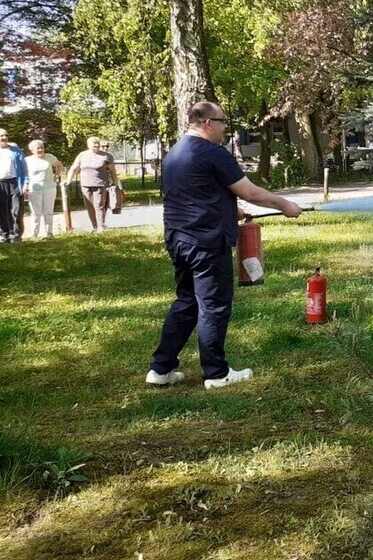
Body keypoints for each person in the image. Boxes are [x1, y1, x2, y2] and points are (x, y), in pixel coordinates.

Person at [147, 101, 303, 390]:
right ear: (208, 123)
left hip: (179, 239)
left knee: (186, 302)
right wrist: (284, 205)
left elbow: (194, 194)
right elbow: (250, 192)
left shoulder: (175, 153)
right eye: (222, 122)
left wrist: (230, 210)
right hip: (206, 242)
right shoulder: (212, 152)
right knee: (213, 307)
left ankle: (160, 369)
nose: (225, 129)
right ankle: (217, 373)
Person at [66, 137, 122, 231]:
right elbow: (74, 168)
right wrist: (68, 180)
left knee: (99, 205)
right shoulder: (82, 155)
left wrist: (115, 184)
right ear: (88, 145)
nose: (96, 148)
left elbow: (113, 171)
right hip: (85, 184)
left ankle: (100, 226)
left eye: (97, 146)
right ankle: (94, 226)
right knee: (89, 206)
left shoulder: (106, 156)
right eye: (94, 146)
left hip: (100, 184)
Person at [25, 139, 63, 238]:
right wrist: (25, 186)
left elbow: (59, 165)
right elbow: (24, 174)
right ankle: (34, 234)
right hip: (34, 188)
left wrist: (56, 176)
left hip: (49, 188)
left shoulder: (49, 157)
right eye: (38, 148)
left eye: (42, 147)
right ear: (32, 150)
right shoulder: (27, 160)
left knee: (48, 211)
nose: (40, 150)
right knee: (35, 212)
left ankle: (49, 233)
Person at [0, 129, 29, 243]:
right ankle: (4, 235)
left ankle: (16, 235)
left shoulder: (16, 151)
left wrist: (26, 183)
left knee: (16, 210)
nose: (4, 138)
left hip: (15, 183)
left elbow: (24, 169)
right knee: (2, 211)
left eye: (6, 135)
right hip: (1, 184)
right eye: (1, 136)